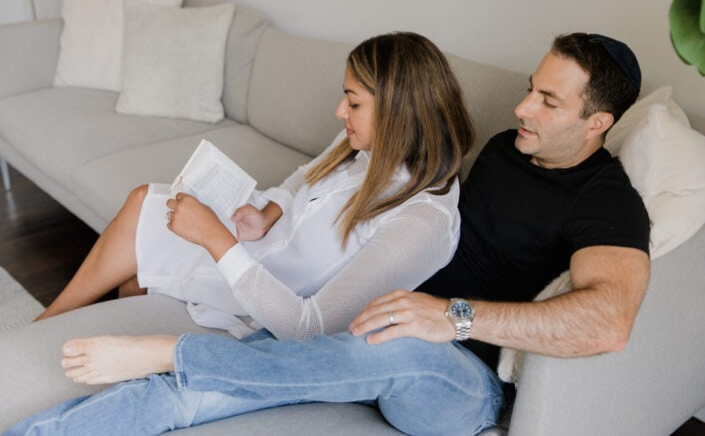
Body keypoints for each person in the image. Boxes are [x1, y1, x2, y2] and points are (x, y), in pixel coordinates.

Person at [4, 33, 650, 436]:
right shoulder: (508, 148)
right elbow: (413, 151)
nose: (519, 110)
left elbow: (607, 322)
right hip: (372, 329)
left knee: (384, 344)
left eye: (547, 102)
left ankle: (170, 350)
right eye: (529, 90)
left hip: (457, 382)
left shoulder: (605, 203)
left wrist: (448, 318)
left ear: (596, 123)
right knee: (189, 399)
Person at [33, 31, 474, 342]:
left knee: (133, 282)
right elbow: (306, 173)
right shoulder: (365, 141)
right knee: (142, 204)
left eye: (354, 102)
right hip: (258, 244)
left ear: (399, 112)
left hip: (269, 293)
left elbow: (311, 327)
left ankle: (46, 331)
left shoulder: (421, 222)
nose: (340, 112)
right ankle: (47, 325)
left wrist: (214, 238)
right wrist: (270, 211)